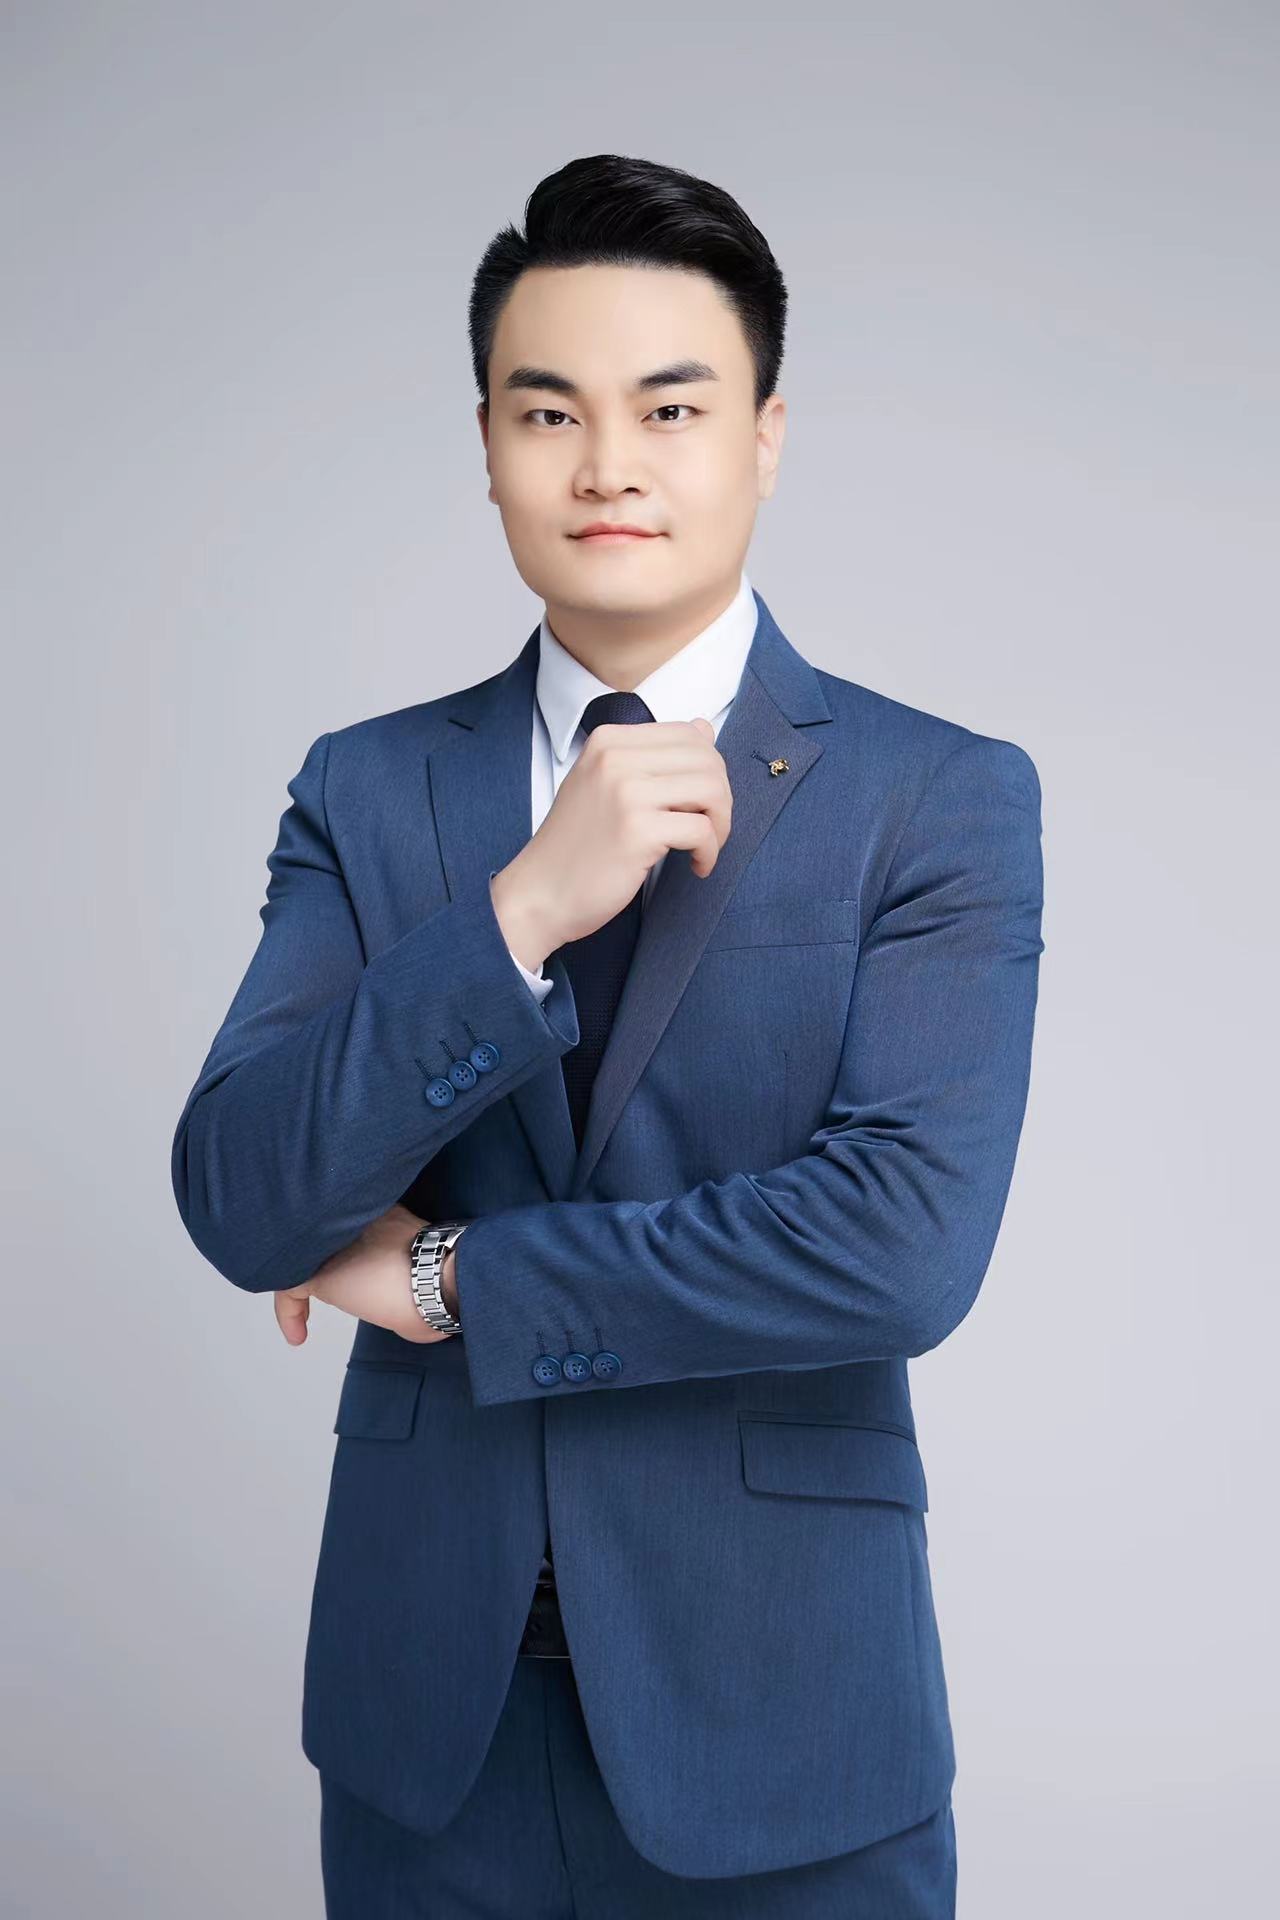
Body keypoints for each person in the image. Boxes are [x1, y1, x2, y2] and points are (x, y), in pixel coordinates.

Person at [171, 151, 1044, 1918]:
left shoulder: (936, 797)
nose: (608, 465)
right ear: (488, 446)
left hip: (787, 1723)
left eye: (670, 407)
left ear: (765, 436)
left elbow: (896, 1248)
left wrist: (450, 1278)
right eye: (548, 411)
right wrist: (518, 914)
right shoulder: (370, 788)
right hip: (433, 1740)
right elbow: (243, 1192)